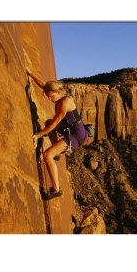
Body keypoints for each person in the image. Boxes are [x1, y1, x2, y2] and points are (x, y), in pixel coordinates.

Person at [26, 69, 89, 199]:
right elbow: (43, 85)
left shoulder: (64, 103)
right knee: (47, 121)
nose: (50, 99)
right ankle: (57, 152)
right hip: (73, 129)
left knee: (47, 155)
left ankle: (56, 190)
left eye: (51, 96)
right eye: (48, 96)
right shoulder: (58, 94)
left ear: (58, 92)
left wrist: (38, 135)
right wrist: (30, 73)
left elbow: (54, 124)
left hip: (77, 135)